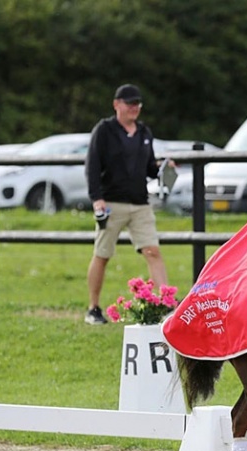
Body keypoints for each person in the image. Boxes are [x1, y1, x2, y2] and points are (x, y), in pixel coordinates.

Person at [84, 84, 169, 325]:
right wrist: (96, 198)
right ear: (116, 104)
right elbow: (92, 165)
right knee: (102, 254)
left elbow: (149, 168)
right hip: (111, 201)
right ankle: (93, 308)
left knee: (153, 251)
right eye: (130, 103)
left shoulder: (144, 133)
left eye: (137, 104)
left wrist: (163, 168)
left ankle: (166, 305)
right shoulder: (104, 130)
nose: (134, 108)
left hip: (140, 203)